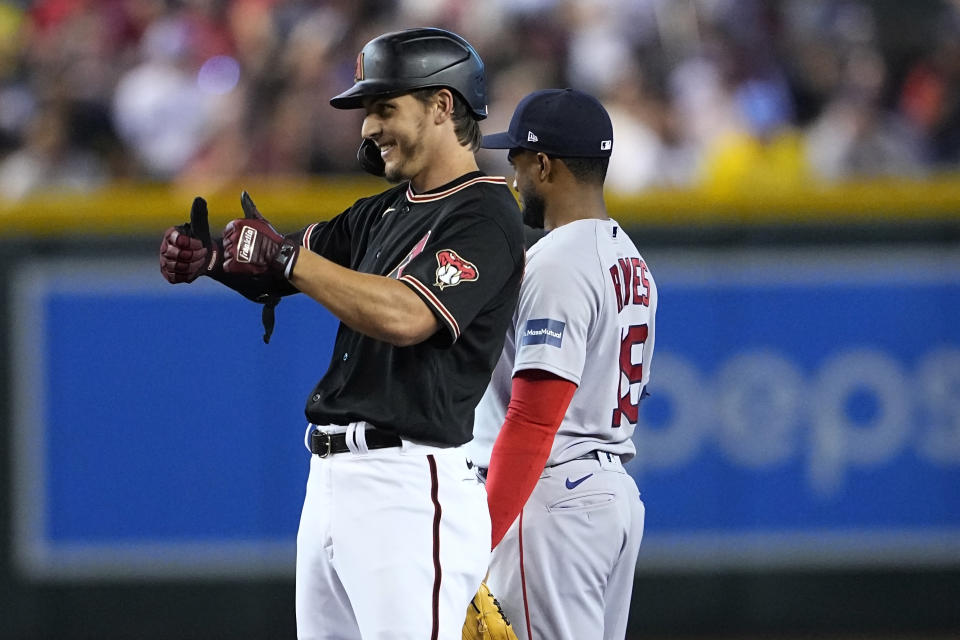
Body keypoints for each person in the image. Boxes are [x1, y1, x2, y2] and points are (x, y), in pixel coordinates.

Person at [158, 27, 525, 640]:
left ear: (442, 105)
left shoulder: (485, 211)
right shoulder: (382, 210)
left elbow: (408, 315)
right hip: (331, 480)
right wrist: (213, 261)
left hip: (410, 486)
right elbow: (280, 266)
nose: (367, 127)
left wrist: (286, 261)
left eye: (385, 107)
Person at [468, 88, 657, 640]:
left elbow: (532, 419)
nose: (514, 175)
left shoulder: (558, 262)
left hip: (548, 496)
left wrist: (475, 545)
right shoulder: (632, 259)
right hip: (608, 496)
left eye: (518, 161)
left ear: (544, 165)